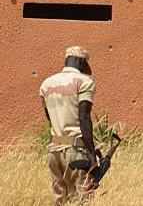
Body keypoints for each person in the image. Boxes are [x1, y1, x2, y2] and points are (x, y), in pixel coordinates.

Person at [39, 46, 97, 205]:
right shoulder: (84, 81)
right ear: (82, 61)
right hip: (76, 152)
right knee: (79, 200)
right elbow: (84, 117)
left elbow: (50, 118)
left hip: (55, 151)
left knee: (60, 201)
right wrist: (92, 153)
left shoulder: (46, 84)